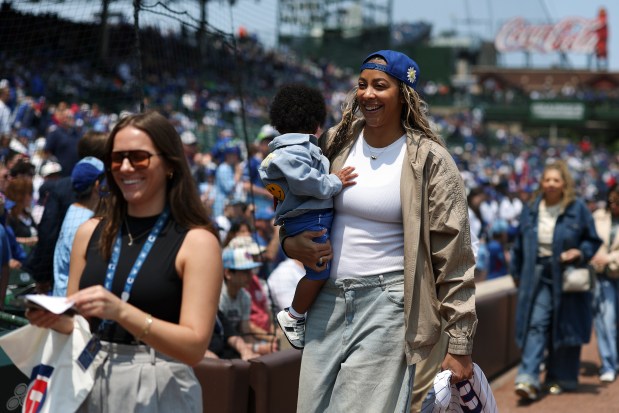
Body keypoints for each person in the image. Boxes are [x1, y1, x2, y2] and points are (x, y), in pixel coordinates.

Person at [279, 50, 477, 412]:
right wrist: (290, 243)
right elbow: (294, 205)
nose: (367, 94)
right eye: (362, 85)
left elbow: (455, 256)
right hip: (325, 299)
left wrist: (460, 342)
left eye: (380, 86)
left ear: (404, 95)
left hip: (388, 304)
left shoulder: (430, 159)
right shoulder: (334, 143)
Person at [26, 110, 222, 412]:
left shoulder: (197, 242)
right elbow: (77, 324)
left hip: (158, 382)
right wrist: (55, 320)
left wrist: (120, 311)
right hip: (85, 375)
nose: (126, 167)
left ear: (169, 164)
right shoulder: (89, 232)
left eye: (139, 157)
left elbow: (194, 347)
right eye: (117, 159)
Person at [258, 83, 357, 350]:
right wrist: (334, 182)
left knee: (319, 270)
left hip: (309, 217)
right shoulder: (292, 151)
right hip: (308, 219)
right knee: (318, 272)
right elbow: (306, 182)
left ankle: (298, 314)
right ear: (316, 123)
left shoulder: (295, 148)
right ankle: (294, 315)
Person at [511, 160, 602, 401]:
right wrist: (516, 273)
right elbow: (519, 245)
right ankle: (528, 378)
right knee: (537, 324)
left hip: (567, 274)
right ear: (541, 183)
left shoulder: (578, 208)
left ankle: (560, 377)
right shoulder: (531, 208)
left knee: (565, 325)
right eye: (547, 180)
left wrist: (579, 252)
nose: (551, 184)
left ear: (564, 184)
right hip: (537, 273)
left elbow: (592, 240)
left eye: (556, 180)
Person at [52, 157, 105, 297]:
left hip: (61, 294)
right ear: (97, 184)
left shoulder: (72, 209)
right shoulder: (88, 222)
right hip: (72, 303)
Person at [219, 245, 274, 356]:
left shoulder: (245, 297)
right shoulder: (219, 296)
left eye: (251, 270)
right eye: (245, 271)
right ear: (228, 273)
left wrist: (256, 348)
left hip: (236, 346)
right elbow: (220, 336)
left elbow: (245, 331)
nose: (251, 275)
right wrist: (257, 347)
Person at [590, 183, 619, 383]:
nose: (614, 204)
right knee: (605, 321)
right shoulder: (598, 215)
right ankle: (609, 364)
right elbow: (590, 241)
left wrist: (611, 257)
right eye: (612, 199)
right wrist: (598, 257)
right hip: (603, 276)